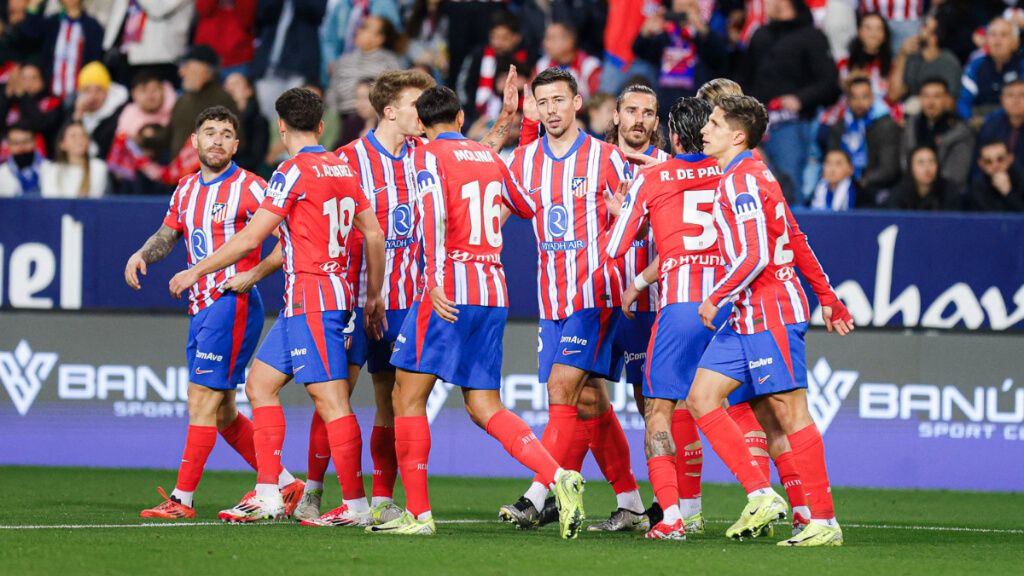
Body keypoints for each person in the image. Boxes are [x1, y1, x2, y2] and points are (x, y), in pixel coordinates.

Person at [367, 85, 585, 538]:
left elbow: (431, 217)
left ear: (422, 127)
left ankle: (419, 515)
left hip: (450, 289)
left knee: (405, 397)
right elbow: (526, 204)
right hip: (493, 290)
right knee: (484, 404)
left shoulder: (425, 157)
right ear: (462, 117)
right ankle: (558, 476)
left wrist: (432, 280)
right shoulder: (490, 158)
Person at [168, 88, 386, 523]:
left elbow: (251, 237)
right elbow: (374, 234)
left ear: (281, 127)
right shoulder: (343, 168)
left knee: (332, 401)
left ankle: (358, 506)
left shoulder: (290, 171)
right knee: (259, 385)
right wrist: (374, 294)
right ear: (321, 127)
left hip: (315, 298)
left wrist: (195, 271)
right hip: (305, 300)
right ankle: (269, 491)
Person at [125, 106, 303, 519]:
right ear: (195, 141)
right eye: (210, 132)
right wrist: (141, 254)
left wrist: (252, 275)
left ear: (236, 145)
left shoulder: (252, 187)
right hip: (200, 305)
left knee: (201, 400)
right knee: (222, 412)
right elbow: (169, 235)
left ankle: (181, 499)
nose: (218, 140)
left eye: (226, 134)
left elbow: (288, 239)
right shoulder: (186, 188)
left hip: (231, 304)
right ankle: (283, 482)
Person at [693, 94, 854, 546]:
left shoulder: (740, 181)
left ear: (737, 136)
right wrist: (828, 296)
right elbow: (796, 236)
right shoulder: (755, 172)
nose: (705, 129)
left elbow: (756, 253)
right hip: (746, 316)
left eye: (714, 122)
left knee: (791, 414)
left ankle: (823, 521)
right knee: (703, 397)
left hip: (770, 312)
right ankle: (763, 495)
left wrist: (716, 297)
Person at [293, 69, 437, 527]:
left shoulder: (426, 156)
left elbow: (474, 158)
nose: (426, 114)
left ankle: (379, 499)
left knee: (389, 399)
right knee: (336, 391)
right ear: (391, 110)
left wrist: (508, 124)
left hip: (408, 300)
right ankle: (313, 491)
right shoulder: (346, 161)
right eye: (419, 104)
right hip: (356, 299)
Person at [500, 68, 632, 532]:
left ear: (577, 103)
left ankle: (541, 492)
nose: (552, 109)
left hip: (594, 295)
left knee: (560, 388)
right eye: (544, 102)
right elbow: (497, 209)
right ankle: (632, 502)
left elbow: (639, 215)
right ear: (534, 108)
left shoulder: (607, 158)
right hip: (550, 301)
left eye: (560, 100)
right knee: (590, 400)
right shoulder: (524, 162)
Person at [605, 96, 727, 540]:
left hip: (678, 307)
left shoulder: (654, 176)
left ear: (671, 135)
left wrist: (624, 215)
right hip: (730, 305)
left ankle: (671, 515)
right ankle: (781, 502)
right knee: (752, 407)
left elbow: (615, 246)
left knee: (659, 410)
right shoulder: (732, 174)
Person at [739, 0, 839, 203]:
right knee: (748, 183)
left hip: (790, 123)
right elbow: (743, 78)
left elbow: (830, 84)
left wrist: (801, 99)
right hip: (753, 124)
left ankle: (795, 233)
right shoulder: (760, 35)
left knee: (789, 187)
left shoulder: (812, 36)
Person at [632, 0, 727, 109]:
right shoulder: (665, 35)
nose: (683, 11)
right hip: (665, 106)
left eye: (688, 6)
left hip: (697, 107)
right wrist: (645, 32)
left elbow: (720, 59)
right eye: (679, 7)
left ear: (697, 8)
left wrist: (702, 30)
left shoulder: (704, 35)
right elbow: (639, 51)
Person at [827, 77, 901, 205]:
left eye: (864, 96)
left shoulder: (886, 125)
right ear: (848, 100)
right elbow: (832, 158)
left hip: (875, 187)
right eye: (854, 97)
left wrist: (862, 181)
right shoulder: (839, 126)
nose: (859, 102)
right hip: (843, 183)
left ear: (872, 98)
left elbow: (889, 168)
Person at [901, 77, 973, 191]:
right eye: (926, 96)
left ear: (946, 99)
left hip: (947, 192)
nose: (931, 102)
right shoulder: (911, 125)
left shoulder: (960, 131)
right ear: (920, 98)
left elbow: (957, 175)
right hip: (913, 189)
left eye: (937, 96)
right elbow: (904, 160)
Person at [326, 16, 403, 121]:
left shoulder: (390, 62)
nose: (358, 30)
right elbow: (332, 95)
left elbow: (396, 96)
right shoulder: (343, 60)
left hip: (375, 122)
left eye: (364, 27)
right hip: (342, 121)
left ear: (379, 39)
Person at [168, 45, 238, 158]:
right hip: (180, 173)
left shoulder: (222, 100)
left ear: (205, 69)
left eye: (187, 66)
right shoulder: (182, 100)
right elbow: (169, 134)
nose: (181, 72)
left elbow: (234, 143)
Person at [957, 18, 1024, 126]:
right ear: (986, 40)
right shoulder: (975, 65)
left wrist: (990, 120)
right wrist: (969, 119)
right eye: (993, 35)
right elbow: (963, 102)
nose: (997, 41)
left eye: (1004, 35)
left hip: (1013, 123)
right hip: (977, 121)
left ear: (1015, 42)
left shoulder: (1021, 66)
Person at [35, 0, 104, 102]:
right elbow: (30, 35)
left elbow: (94, 60)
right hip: (50, 92)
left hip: (79, 93)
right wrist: (33, 5)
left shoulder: (92, 26)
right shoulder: (52, 22)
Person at [887, 14, 962, 104]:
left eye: (925, 26)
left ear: (934, 38)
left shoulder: (949, 62)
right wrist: (902, 55)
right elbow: (893, 95)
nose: (919, 29)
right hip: (910, 114)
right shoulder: (911, 58)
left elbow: (950, 103)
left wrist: (923, 102)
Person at [0, 61, 63, 156]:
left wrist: (23, 96)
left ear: (43, 81)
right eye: (24, 78)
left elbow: (39, 124)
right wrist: (6, 96)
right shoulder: (10, 102)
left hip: (43, 159)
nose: (29, 83)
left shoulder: (52, 102)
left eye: (34, 78)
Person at [72, 61, 128, 159]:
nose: (93, 96)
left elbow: (103, 147)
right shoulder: (77, 107)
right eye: (87, 90)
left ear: (108, 91)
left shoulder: (121, 112)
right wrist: (78, 115)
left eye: (99, 90)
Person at [534, 22, 602, 102]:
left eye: (551, 38)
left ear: (569, 41)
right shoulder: (542, 65)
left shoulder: (590, 66)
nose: (545, 44)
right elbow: (530, 98)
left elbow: (598, 103)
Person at [40, 121, 107, 197]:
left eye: (83, 135)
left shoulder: (98, 167)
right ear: (62, 144)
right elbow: (50, 200)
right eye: (73, 136)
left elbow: (94, 199)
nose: (79, 140)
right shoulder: (51, 169)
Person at [888, 145, 958, 211]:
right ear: (911, 167)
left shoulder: (949, 190)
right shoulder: (899, 193)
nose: (927, 168)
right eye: (921, 163)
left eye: (931, 161)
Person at [223, 72, 268, 172]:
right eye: (226, 85)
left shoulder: (258, 121)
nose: (229, 88)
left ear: (249, 91)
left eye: (236, 83)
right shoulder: (217, 121)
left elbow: (255, 158)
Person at [114, 69, 176, 141]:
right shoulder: (129, 113)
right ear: (133, 94)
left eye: (154, 89)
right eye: (144, 90)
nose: (150, 95)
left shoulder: (176, 109)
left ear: (163, 90)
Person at [978, 80, 1024, 175]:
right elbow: (980, 162)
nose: (1016, 100)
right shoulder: (991, 124)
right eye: (1010, 95)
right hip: (992, 179)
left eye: (1022, 95)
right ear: (1002, 100)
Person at [971, 139, 1024, 212]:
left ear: (1010, 159)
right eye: (988, 161)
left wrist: (1008, 192)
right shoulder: (977, 186)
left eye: (1000, 159)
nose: (995, 165)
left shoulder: (1020, 180)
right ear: (981, 164)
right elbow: (987, 219)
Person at [0, 121, 50, 195]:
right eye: (15, 143)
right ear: (8, 146)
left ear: (35, 142)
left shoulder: (51, 170)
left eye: (26, 142)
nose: (21, 148)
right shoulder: (1, 174)